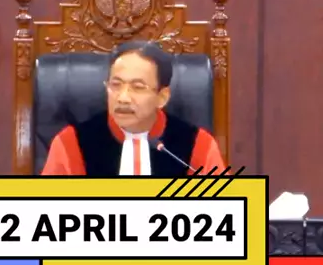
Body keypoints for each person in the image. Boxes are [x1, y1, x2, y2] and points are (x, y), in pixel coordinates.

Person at [41, 40, 226, 177]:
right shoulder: (70, 144)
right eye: (116, 85)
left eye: (137, 87)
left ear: (162, 97)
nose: (123, 98)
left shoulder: (199, 146)